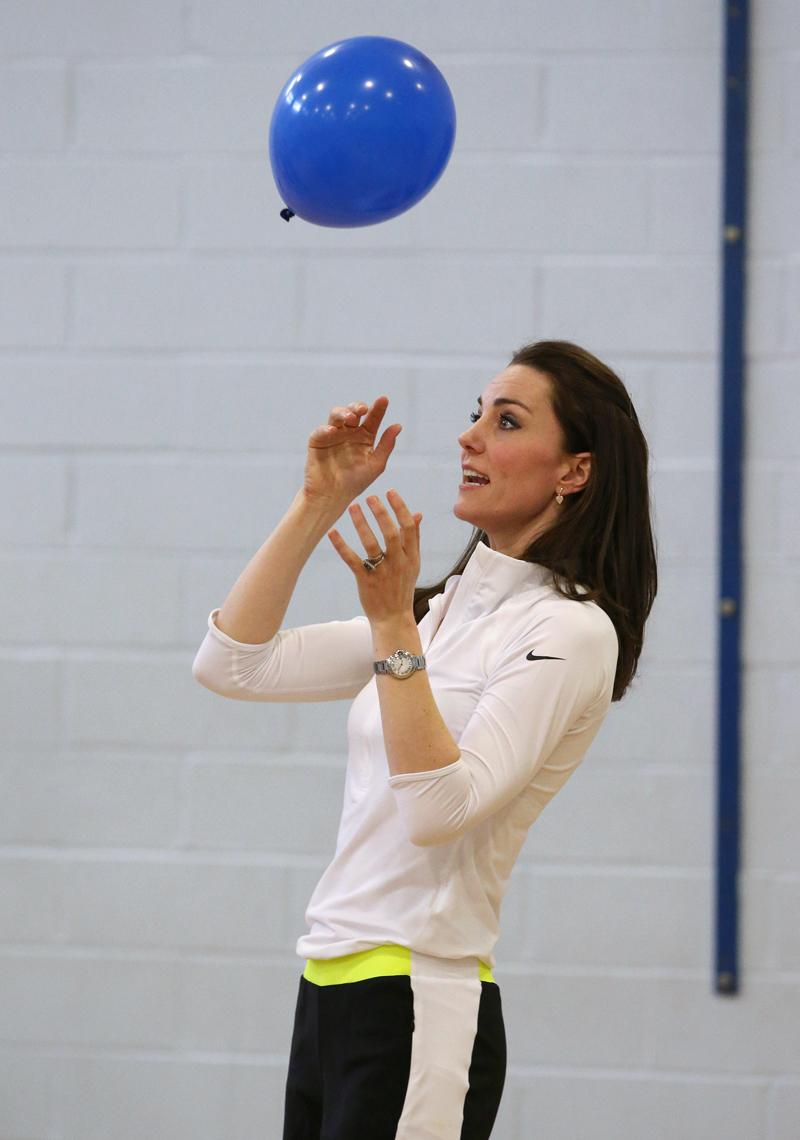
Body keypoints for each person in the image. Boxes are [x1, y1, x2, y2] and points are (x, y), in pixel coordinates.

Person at [191, 339, 657, 1140]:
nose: (470, 436)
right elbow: (233, 664)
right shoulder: (440, 614)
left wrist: (390, 623)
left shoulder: (571, 630)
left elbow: (441, 807)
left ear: (574, 470)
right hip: (330, 983)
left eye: (506, 421)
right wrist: (317, 503)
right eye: (475, 415)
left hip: (420, 995)